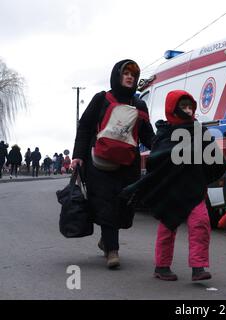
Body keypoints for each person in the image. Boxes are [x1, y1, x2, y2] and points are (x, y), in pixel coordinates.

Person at [120, 90, 226, 281]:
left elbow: (214, 158)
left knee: (200, 224)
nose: (187, 110)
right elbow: (156, 161)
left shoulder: (199, 130)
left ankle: (198, 267)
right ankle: (161, 267)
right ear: (173, 109)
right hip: (169, 190)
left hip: (194, 188)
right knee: (167, 227)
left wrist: (203, 176)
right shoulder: (164, 133)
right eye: (183, 106)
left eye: (190, 106)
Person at [71, 59, 155, 269]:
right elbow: (84, 127)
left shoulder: (139, 105)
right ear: (117, 76)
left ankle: (106, 240)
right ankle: (112, 250)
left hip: (128, 164)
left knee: (123, 207)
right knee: (106, 203)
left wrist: (165, 148)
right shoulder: (101, 99)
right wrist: (77, 155)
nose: (129, 77)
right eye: (125, 73)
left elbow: (147, 136)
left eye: (132, 75)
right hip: (100, 162)